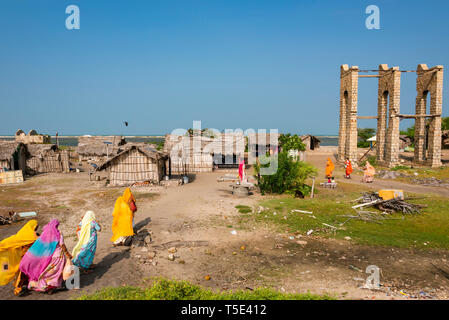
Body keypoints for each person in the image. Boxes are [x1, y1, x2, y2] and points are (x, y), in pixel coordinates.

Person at [19, 219, 72, 294]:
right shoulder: (58, 233)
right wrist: (67, 254)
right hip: (58, 255)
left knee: (50, 271)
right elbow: (62, 244)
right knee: (57, 272)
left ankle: (46, 284)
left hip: (50, 256)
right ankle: (49, 285)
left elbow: (43, 245)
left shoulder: (45, 234)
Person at [0, 220, 39, 296]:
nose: (37, 227)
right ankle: (18, 288)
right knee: (22, 273)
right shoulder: (32, 235)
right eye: (36, 226)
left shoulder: (22, 234)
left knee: (24, 273)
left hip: (23, 257)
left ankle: (26, 285)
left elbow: (11, 241)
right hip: (25, 258)